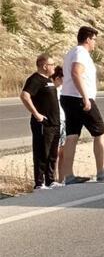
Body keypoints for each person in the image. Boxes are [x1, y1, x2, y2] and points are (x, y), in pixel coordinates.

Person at [60, 26, 104, 184]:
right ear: (88, 39)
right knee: (100, 132)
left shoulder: (71, 52)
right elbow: (76, 72)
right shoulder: (81, 53)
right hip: (79, 97)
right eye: (94, 40)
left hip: (68, 97)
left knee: (72, 135)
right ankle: (101, 171)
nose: (95, 43)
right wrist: (85, 97)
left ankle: (68, 175)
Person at [19, 54, 63, 189]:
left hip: (54, 123)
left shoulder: (48, 80)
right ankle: (39, 183)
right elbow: (24, 96)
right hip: (43, 123)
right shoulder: (35, 79)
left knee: (52, 153)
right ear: (44, 66)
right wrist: (36, 114)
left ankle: (51, 180)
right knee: (42, 152)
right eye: (52, 64)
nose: (54, 67)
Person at [50, 65, 65, 182]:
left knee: (63, 152)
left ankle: (62, 178)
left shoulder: (65, 90)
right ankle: (52, 178)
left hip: (65, 121)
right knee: (55, 153)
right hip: (56, 122)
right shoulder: (52, 91)